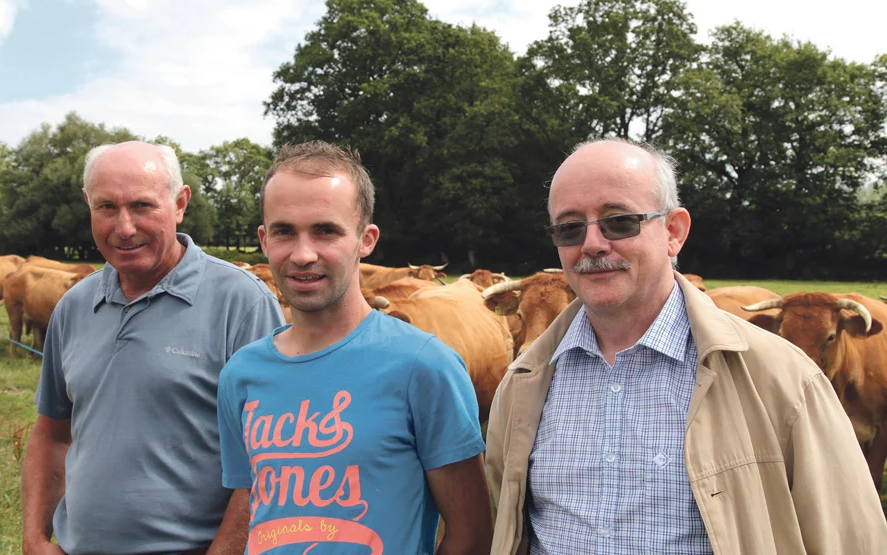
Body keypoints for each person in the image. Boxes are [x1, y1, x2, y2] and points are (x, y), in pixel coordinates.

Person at [486, 138, 887, 555]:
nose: (592, 244)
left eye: (619, 221)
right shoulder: (523, 384)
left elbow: (850, 540)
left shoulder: (786, 381)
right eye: (570, 227)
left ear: (674, 232)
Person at [216, 141, 493, 554]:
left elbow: (471, 534)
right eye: (284, 231)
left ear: (366, 239)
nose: (303, 254)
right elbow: (253, 509)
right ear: (263, 239)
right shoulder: (241, 373)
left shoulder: (424, 366)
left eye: (326, 231)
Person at [21, 141, 285, 555]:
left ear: (180, 203)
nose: (124, 227)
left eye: (142, 206)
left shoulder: (242, 302)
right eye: (106, 207)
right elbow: (53, 432)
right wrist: (35, 538)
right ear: (87, 204)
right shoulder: (74, 305)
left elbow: (271, 457)